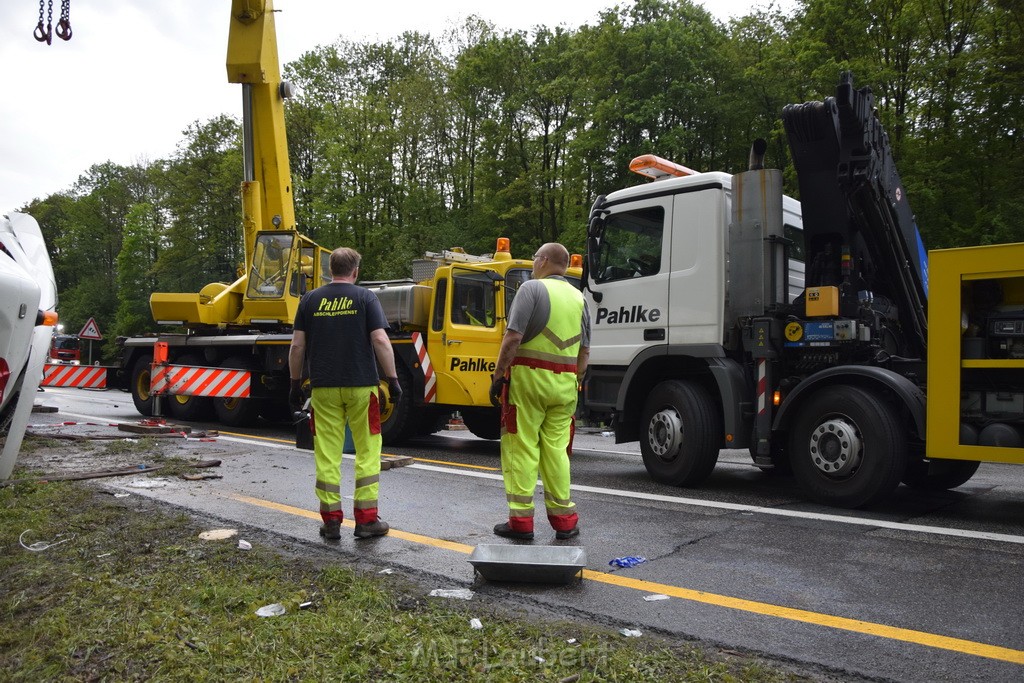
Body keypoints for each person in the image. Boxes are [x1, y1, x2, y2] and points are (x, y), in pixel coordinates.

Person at [288, 247, 402, 540]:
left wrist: (294, 382)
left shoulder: (309, 300)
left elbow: (297, 346)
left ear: (330, 269)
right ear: (356, 272)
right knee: (367, 451)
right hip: (363, 387)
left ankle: (331, 522)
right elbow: (380, 339)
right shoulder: (366, 297)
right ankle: (366, 521)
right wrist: (393, 378)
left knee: (327, 454)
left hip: (323, 388)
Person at [489, 242, 590, 541]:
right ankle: (565, 521)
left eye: (535, 259)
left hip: (529, 380)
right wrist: (576, 381)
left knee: (521, 447)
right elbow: (584, 351)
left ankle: (521, 523)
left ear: (544, 261)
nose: (533, 264)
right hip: (566, 384)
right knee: (557, 451)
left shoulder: (531, 289)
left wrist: (497, 377)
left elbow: (512, 338)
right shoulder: (579, 299)